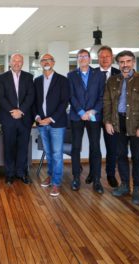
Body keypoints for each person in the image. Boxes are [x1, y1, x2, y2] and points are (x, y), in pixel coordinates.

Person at [103, 50, 139, 205]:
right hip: (117, 123)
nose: (125, 65)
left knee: (137, 157)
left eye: (128, 61)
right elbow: (107, 102)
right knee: (120, 155)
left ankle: (137, 189)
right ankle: (125, 185)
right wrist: (108, 122)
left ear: (133, 62)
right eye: (122, 62)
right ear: (118, 63)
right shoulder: (112, 81)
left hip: (137, 125)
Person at [67, 49, 105, 194]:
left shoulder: (99, 75)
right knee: (75, 148)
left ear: (90, 59)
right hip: (77, 116)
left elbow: (102, 96)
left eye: (85, 56)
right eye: (80, 56)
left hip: (94, 116)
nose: (82, 58)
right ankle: (76, 178)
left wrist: (92, 111)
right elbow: (71, 96)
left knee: (95, 147)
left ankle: (96, 180)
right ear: (77, 59)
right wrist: (81, 112)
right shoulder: (71, 75)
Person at [0, 53, 34, 185]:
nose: (17, 63)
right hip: (8, 117)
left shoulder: (29, 77)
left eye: (19, 61)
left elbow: (31, 96)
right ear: (10, 63)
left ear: (22, 63)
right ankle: (10, 174)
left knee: (23, 147)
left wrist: (21, 110)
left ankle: (21, 173)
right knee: (9, 147)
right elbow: (1, 97)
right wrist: (13, 111)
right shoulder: (2, 77)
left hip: (24, 118)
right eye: (15, 61)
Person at [34, 53, 69, 197]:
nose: (46, 62)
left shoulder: (62, 80)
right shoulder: (37, 81)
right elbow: (34, 101)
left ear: (53, 63)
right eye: (43, 60)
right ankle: (50, 175)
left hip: (56, 123)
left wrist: (51, 118)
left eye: (49, 60)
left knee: (57, 154)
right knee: (48, 153)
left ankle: (56, 183)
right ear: (41, 63)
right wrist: (37, 117)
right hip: (41, 123)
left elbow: (64, 102)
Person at [97, 46, 121, 188]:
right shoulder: (92, 73)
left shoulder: (119, 73)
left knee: (112, 147)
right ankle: (93, 173)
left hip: (112, 117)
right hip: (94, 116)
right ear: (98, 58)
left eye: (107, 56)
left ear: (112, 57)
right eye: (102, 56)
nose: (105, 59)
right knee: (95, 146)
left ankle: (110, 174)